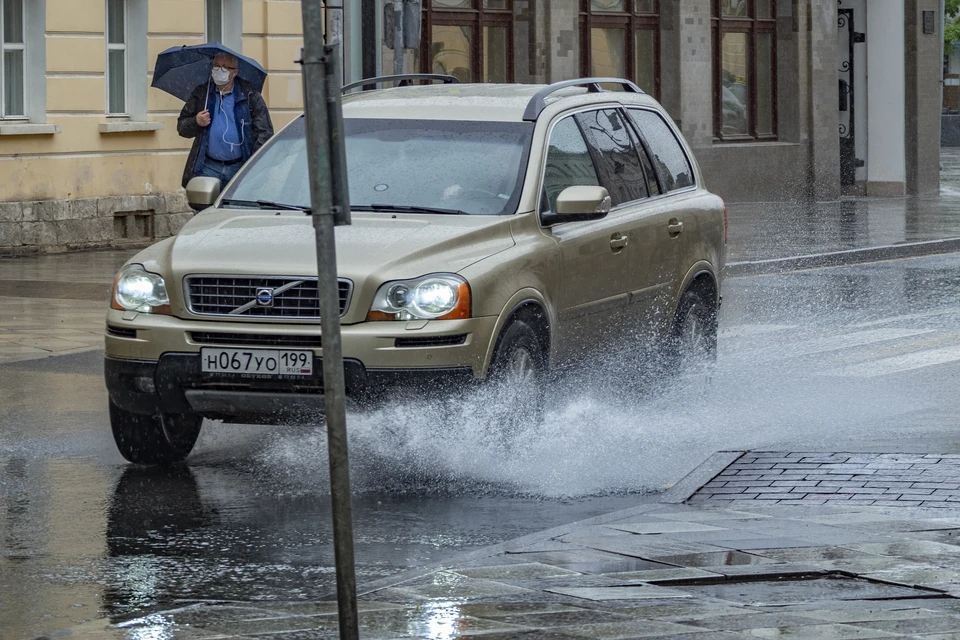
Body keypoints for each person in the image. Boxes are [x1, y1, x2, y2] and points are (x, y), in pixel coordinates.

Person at [177, 52, 274, 190]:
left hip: (239, 166)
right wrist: (196, 121)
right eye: (216, 66)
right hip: (208, 166)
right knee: (203, 208)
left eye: (224, 67)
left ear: (234, 72)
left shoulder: (249, 95)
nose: (218, 71)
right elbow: (182, 127)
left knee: (236, 208)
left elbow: (264, 131)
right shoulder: (202, 93)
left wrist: (253, 164)